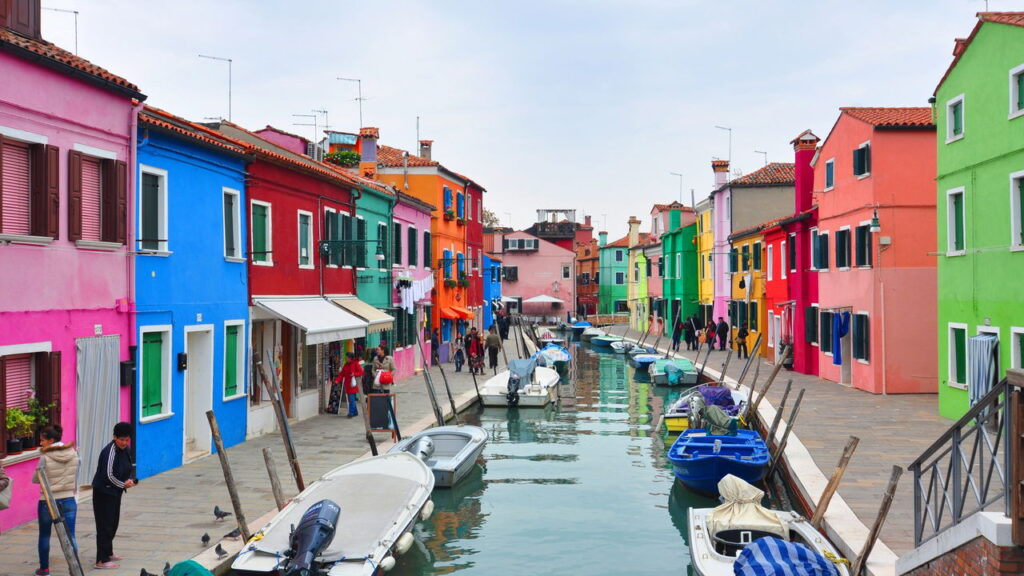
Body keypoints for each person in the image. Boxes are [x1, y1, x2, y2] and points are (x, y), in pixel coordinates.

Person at [34, 425, 80, 576]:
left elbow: (36, 479)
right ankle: (74, 568)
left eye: (42, 440)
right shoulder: (73, 452)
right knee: (70, 536)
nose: (41, 443)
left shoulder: (45, 456)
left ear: (51, 440)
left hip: (48, 500)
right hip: (69, 499)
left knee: (44, 535)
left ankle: (45, 569)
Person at [92, 421, 135, 569]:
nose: (124, 443)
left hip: (115, 492)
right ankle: (101, 560)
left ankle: (108, 553)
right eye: (121, 439)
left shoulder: (126, 449)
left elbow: (128, 466)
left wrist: (129, 479)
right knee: (104, 525)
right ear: (114, 437)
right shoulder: (109, 452)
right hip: (103, 492)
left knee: (113, 523)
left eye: (126, 440)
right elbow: (108, 475)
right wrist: (123, 484)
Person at [336, 352, 364, 417]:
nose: (346, 358)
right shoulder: (346, 364)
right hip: (347, 385)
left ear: (350, 358)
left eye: (347, 357)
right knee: (351, 399)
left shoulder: (355, 363)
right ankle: (355, 412)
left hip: (353, 384)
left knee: (351, 399)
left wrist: (354, 374)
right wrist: (337, 380)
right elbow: (342, 374)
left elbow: (361, 372)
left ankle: (351, 413)